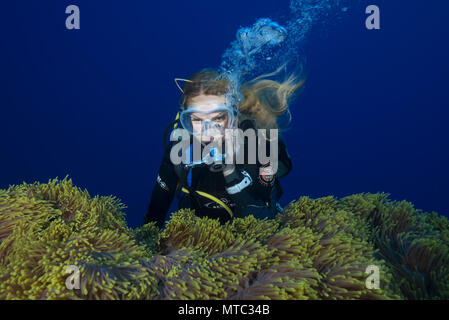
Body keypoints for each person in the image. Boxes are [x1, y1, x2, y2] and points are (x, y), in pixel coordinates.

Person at [143, 67, 305, 228]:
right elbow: (155, 213)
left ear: (233, 117)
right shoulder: (180, 150)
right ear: (186, 121)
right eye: (197, 120)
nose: (208, 133)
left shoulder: (257, 146)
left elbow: (264, 223)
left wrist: (230, 173)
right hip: (197, 240)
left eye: (219, 118)